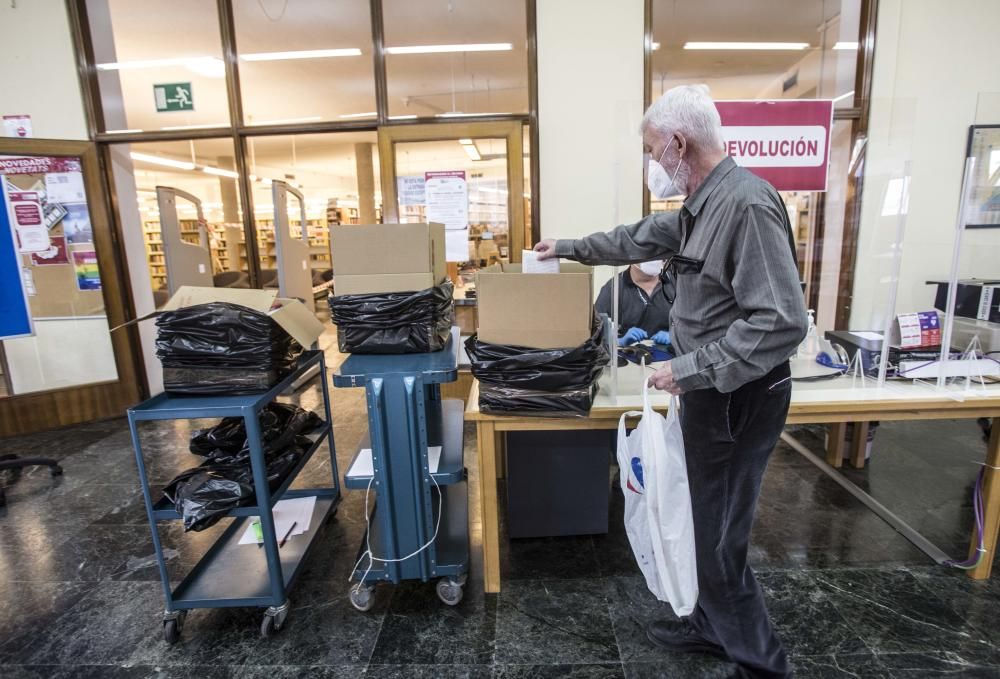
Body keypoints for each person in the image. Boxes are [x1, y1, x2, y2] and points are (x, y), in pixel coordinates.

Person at [534, 84, 807, 679]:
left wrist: (685, 367)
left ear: (679, 144)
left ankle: (764, 665)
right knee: (701, 515)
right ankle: (711, 627)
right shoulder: (698, 206)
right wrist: (567, 247)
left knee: (718, 538)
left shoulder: (746, 205)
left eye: (654, 149)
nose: (653, 161)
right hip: (709, 394)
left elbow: (783, 322)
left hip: (740, 398)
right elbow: (634, 240)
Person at [595, 261, 673, 346]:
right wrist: (619, 341)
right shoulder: (613, 288)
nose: (654, 259)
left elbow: (689, 326)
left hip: (672, 355)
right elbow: (596, 334)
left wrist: (674, 337)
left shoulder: (676, 283)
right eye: (646, 252)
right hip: (629, 355)